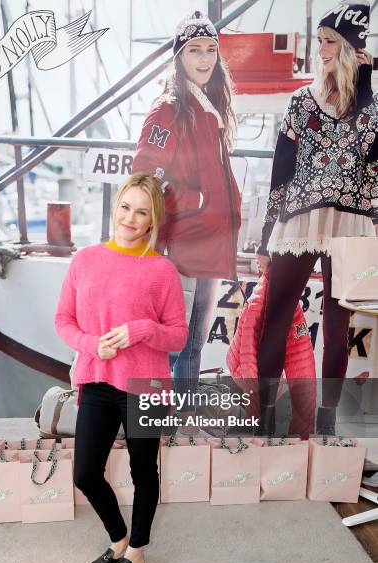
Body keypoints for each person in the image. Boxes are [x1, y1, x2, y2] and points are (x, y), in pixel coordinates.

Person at [54, 173, 188, 563]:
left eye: (142, 212)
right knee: (86, 473)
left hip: (146, 385)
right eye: (126, 207)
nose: (130, 218)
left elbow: (178, 335)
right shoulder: (86, 259)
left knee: (143, 470)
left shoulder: (163, 270)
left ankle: (138, 553)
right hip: (96, 379)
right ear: (116, 208)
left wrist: (144, 330)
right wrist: (94, 345)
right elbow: (63, 321)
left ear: (152, 222)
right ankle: (118, 541)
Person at [256, 2, 378, 435]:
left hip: (350, 223)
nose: (320, 49)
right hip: (300, 221)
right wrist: (265, 237)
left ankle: (325, 423)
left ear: (348, 47)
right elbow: (280, 171)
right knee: (276, 317)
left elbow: (372, 162)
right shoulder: (300, 101)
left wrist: (364, 82)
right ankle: (263, 420)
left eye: (329, 41)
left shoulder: (371, 107)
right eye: (321, 40)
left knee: (337, 323)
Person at [132, 10, 241, 410]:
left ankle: (183, 423)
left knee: (194, 345)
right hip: (183, 244)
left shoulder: (208, 108)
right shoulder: (170, 107)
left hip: (210, 245)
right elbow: (144, 173)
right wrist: (189, 206)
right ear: (179, 56)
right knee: (176, 346)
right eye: (194, 49)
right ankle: (164, 424)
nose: (205, 58)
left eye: (211, 50)